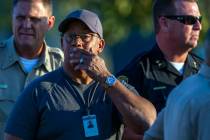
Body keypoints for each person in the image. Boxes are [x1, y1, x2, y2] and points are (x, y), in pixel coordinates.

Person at [4, 9, 156, 140]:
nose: (77, 43)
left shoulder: (114, 87)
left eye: (85, 36)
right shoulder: (38, 90)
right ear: (62, 44)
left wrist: (105, 77)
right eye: (71, 37)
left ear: (100, 45)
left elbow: (147, 123)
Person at [117, 0, 203, 139]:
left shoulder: (204, 71)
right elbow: (124, 132)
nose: (198, 26)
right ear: (164, 23)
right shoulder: (137, 72)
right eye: (189, 19)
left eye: (199, 19)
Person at [0, 0, 63, 139]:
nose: (26, 25)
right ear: (12, 18)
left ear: (50, 23)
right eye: (20, 18)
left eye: (35, 19)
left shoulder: (63, 67)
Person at [143, 29, 210, 140]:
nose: (198, 26)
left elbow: (150, 137)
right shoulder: (205, 99)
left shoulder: (180, 90)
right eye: (188, 20)